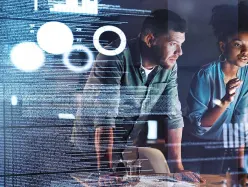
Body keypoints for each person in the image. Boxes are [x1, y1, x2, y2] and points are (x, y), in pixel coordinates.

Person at [72, 9, 202, 184]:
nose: (180, 52)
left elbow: (174, 116)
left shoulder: (169, 65)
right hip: (88, 156)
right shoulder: (114, 56)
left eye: (181, 44)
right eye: (173, 43)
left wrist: (177, 168)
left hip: (125, 155)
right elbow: (105, 119)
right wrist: (105, 170)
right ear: (150, 39)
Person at [182, 2, 248, 174]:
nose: (245, 51)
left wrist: (241, 167)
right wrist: (226, 100)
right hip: (193, 146)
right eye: (237, 44)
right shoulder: (205, 75)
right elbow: (200, 126)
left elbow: (242, 120)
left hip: (221, 147)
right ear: (222, 46)